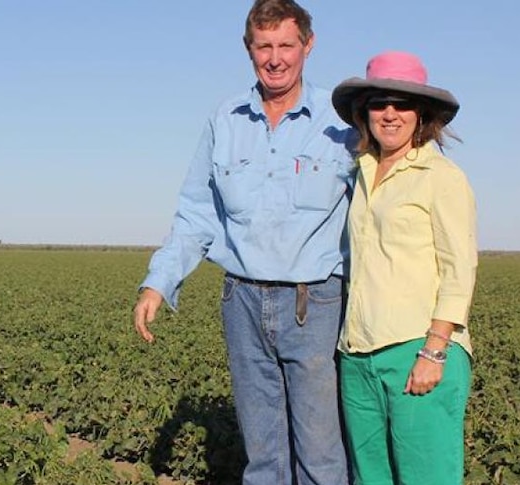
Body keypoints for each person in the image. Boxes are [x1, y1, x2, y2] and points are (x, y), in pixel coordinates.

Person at [133, 1, 354, 483]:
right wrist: (158, 282)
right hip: (243, 301)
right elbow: (196, 213)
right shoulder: (225, 120)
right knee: (264, 453)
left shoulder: (340, 125)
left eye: (286, 46)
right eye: (264, 47)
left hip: (314, 302)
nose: (275, 58)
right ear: (248, 49)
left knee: (320, 453)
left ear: (307, 46)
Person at [330, 51, 478, 485]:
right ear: (364, 113)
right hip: (357, 352)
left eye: (402, 104)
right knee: (370, 477)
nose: (390, 114)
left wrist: (434, 351)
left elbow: (459, 268)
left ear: (422, 114)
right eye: (379, 103)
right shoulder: (360, 171)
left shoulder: (441, 177)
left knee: (425, 477)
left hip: (416, 348)